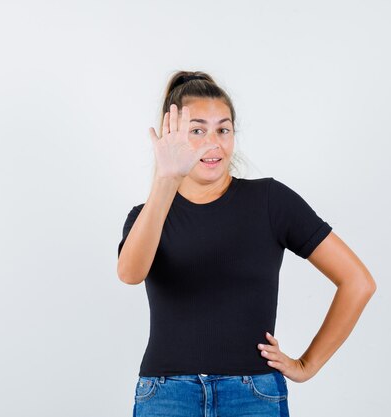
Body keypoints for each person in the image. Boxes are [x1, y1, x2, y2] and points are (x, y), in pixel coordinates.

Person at [116, 70, 377, 417]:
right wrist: (166, 179)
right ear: (170, 136)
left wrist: (307, 365)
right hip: (167, 395)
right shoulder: (146, 215)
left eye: (223, 129)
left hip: (253, 394)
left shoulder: (270, 201)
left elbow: (358, 282)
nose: (213, 143)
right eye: (197, 130)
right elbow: (131, 273)